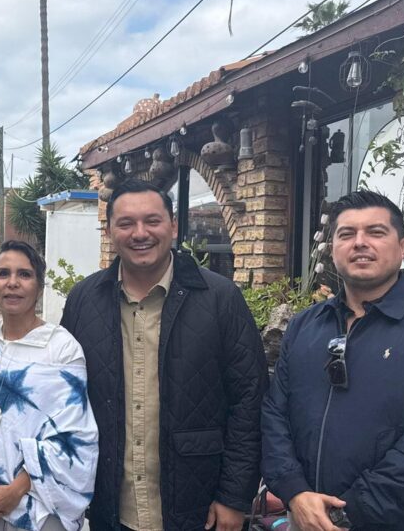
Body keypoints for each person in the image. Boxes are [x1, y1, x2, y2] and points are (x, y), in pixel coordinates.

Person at [261, 190, 404, 531]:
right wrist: (295, 493)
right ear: (333, 248)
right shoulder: (304, 326)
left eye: (376, 232)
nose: (359, 243)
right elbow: (274, 415)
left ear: (403, 247)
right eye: (346, 234)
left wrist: (341, 516)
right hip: (304, 518)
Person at [60, 177, 267, 531]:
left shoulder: (219, 298)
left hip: (199, 508)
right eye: (126, 223)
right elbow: (62, 397)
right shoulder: (84, 301)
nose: (140, 233)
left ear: (172, 226)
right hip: (109, 507)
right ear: (110, 230)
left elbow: (250, 400)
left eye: (152, 221)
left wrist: (234, 497)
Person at [0, 240, 98, 531]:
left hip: (41, 507)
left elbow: (74, 436)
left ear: (39, 286)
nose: (12, 283)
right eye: (3, 274)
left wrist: (19, 487)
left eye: (24, 274)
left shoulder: (61, 349)